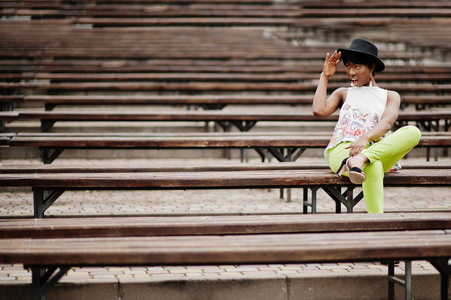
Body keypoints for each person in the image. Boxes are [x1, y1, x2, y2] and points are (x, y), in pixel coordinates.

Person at [312, 38, 421, 213]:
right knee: (374, 165)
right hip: (343, 149)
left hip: (373, 149)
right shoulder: (343, 92)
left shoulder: (391, 96)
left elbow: (386, 123)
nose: (350, 72)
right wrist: (325, 76)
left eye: (357, 67)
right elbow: (319, 110)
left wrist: (365, 138)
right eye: (347, 66)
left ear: (371, 68)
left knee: (413, 132)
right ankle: (377, 222)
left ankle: (361, 159)